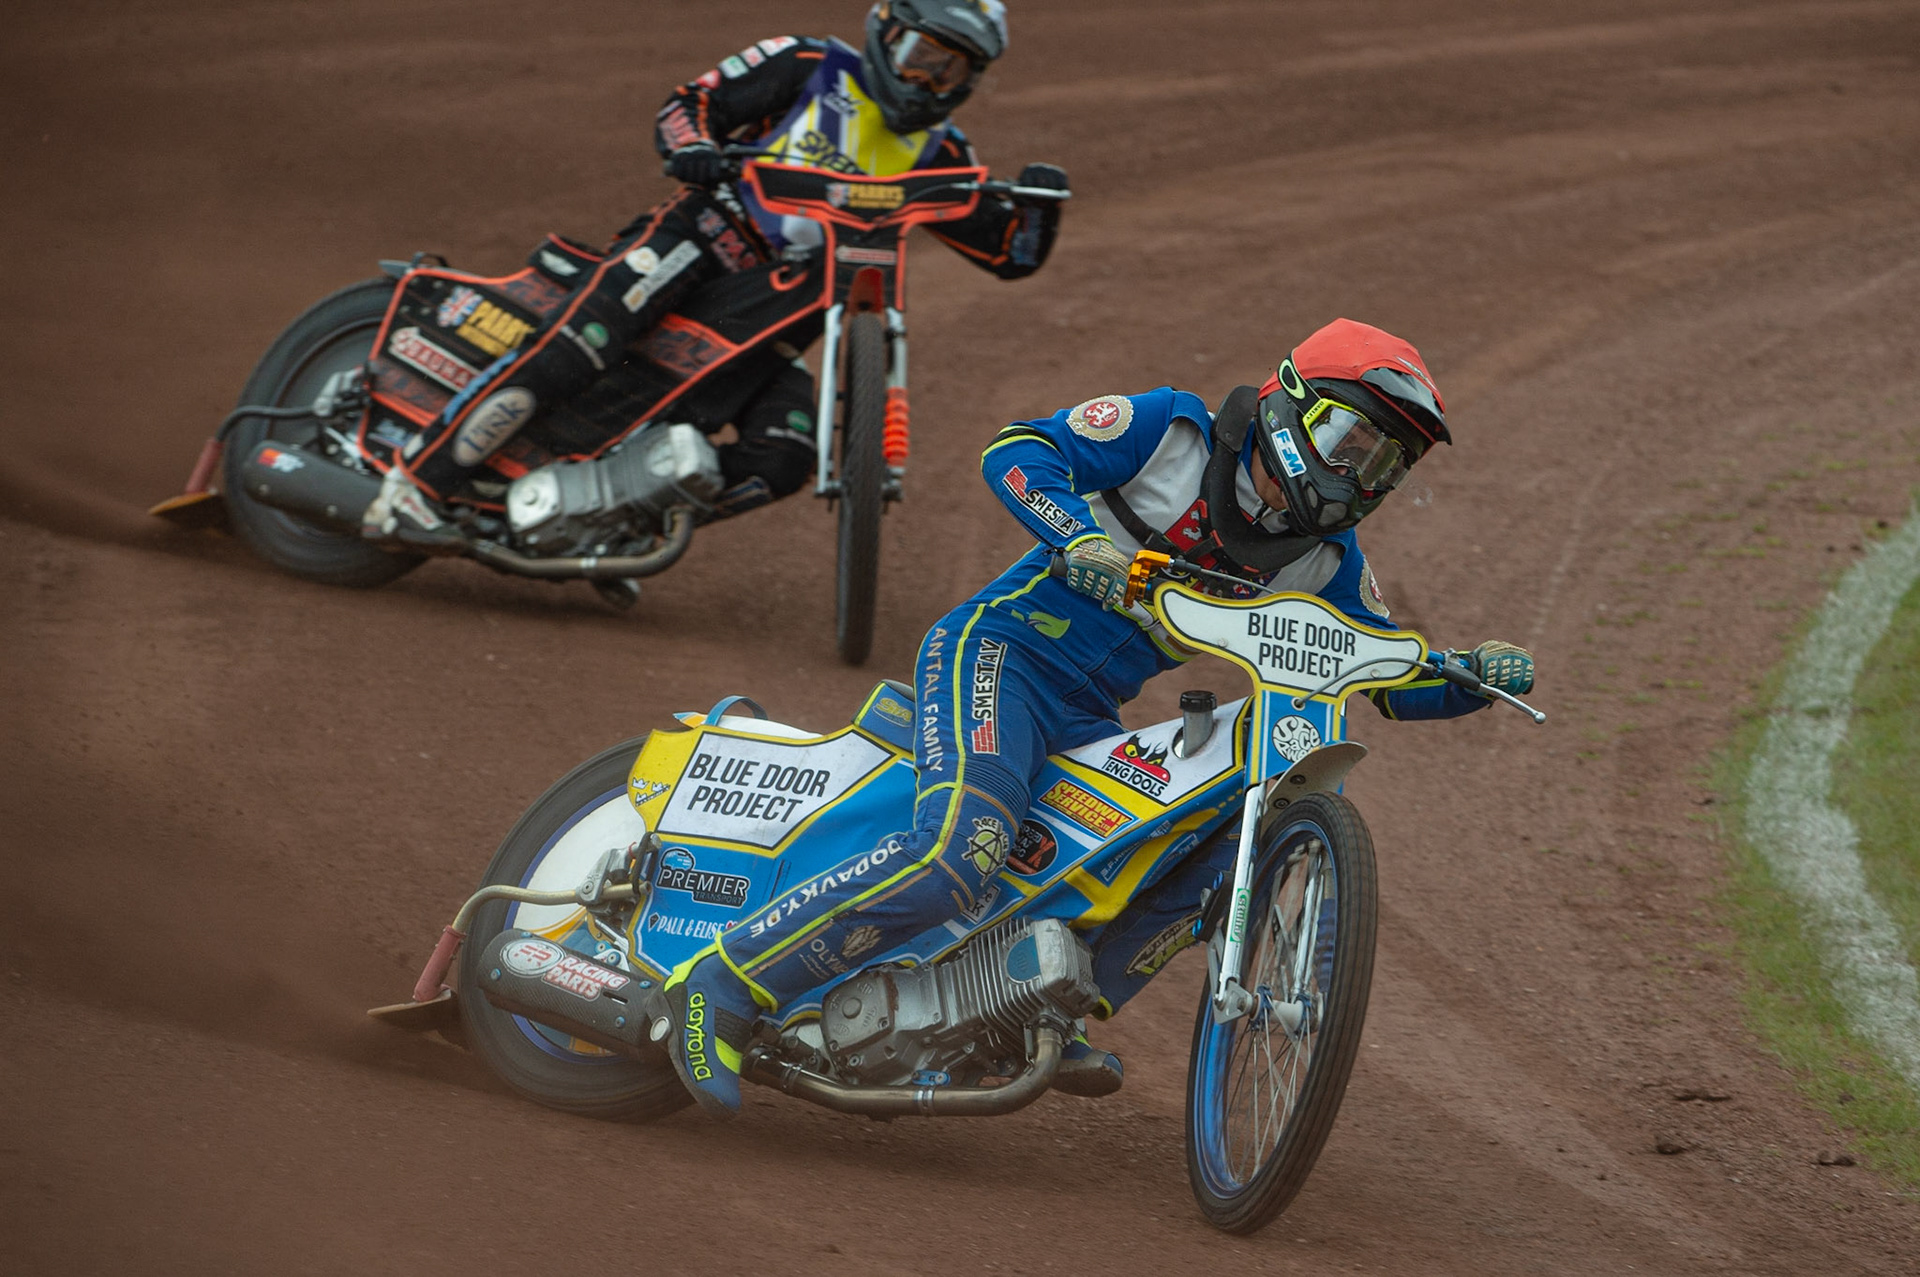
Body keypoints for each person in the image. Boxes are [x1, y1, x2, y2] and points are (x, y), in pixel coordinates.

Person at [656, 318, 1538, 1117]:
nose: (1365, 474)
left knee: (1207, 844)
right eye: (1354, 440)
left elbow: (1384, 671)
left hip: (1085, 714)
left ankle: (1031, 1009)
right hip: (997, 654)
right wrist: (1074, 535)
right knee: (961, 852)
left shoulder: (1326, 561)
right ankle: (725, 982)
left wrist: (1467, 676)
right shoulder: (1173, 432)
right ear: (1292, 407)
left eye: (1389, 461)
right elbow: (1016, 450)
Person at [364, 0, 1067, 536]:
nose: (927, 80)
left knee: (784, 453)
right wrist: (694, 147)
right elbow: (688, 105)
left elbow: (1010, 254)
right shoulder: (804, 64)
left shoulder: (945, 156)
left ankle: (603, 525)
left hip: (778, 316)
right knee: (585, 344)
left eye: (950, 69)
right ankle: (416, 483)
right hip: (696, 241)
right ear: (884, 30)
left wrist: (1041, 205)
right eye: (920, 55)